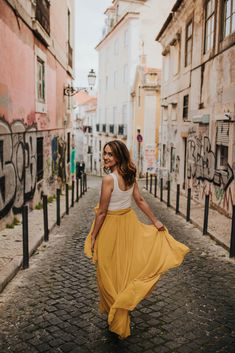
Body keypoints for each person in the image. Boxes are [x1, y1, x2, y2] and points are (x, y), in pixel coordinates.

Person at [84, 140, 189, 339]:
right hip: (128, 223)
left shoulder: (109, 179)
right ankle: (120, 306)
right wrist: (155, 221)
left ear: (119, 156)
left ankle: (117, 310)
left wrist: (93, 236)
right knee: (123, 268)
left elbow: (102, 213)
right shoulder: (130, 175)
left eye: (110, 154)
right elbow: (139, 201)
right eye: (105, 153)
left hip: (112, 227)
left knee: (106, 270)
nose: (106, 157)